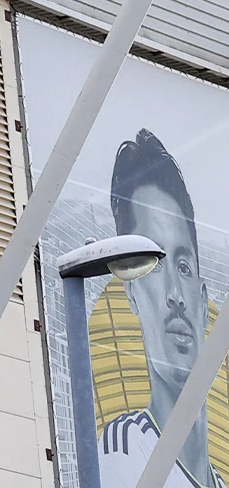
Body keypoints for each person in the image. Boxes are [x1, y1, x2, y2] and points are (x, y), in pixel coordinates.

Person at [97, 130, 219, 488]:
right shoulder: (124, 453)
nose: (174, 296)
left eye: (183, 267)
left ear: (202, 299)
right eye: (154, 264)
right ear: (131, 293)